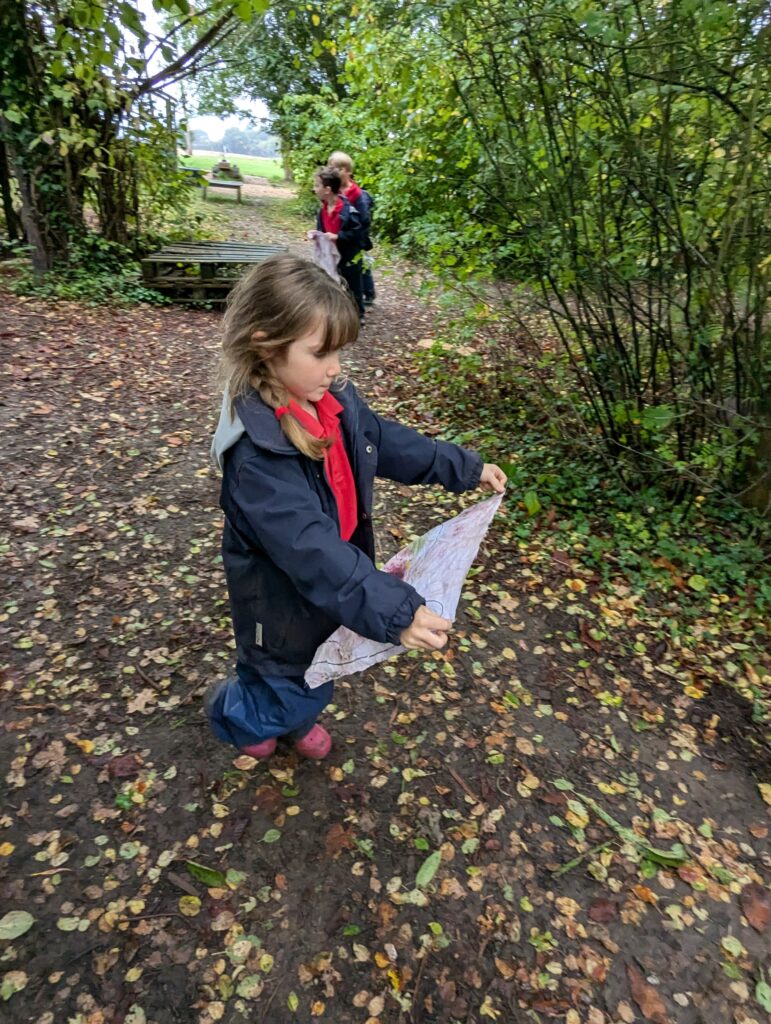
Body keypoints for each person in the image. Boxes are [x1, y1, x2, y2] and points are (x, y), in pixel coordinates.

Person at [207, 255, 506, 762]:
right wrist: (395, 611)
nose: (335, 367)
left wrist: (460, 466)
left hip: (334, 580)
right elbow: (310, 547)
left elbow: (381, 441)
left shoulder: (331, 399)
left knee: (318, 662)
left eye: (338, 352)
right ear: (265, 342)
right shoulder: (256, 459)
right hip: (277, 599)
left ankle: (293, 720)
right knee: (279, 670)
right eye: (321, 352)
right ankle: (235, 714)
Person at [309, 167, 364, 320]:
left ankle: (358, 316)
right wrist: (317, 235)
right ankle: (336, 313)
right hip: (332, 256)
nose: (315, 189)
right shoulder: (323, 210)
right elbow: (322, 230)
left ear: (327, 189)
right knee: (331, 282)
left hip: (348, 257)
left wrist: (338, 236)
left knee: (352, 287)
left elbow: (357, 234)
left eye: (317, 185)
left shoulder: (348, 211)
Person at [328, 150, 376, 305]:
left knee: (358, 267)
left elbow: (364, 221)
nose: (334, 172)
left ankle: (364, 298)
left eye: (338, 169)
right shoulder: (334, 191)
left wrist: (353, 237)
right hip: (339, 239)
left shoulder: (358, 195)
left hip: (354, 240)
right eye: (331, 168)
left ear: (347, 171)